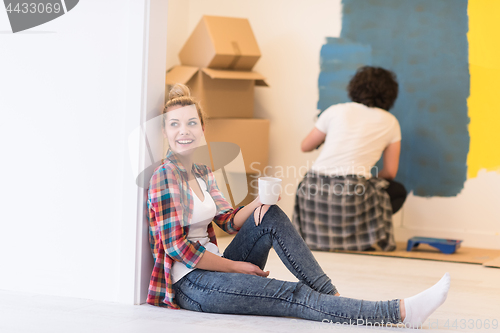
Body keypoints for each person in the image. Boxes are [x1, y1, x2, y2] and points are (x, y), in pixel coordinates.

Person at [146, 83, 448, 328]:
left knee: (269, 214)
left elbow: (227, 220)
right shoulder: (164, 177)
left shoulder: (202, 172)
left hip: (217, 268)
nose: (183, 131)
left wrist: (259, 203)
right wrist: (236, 267)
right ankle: (401, 313)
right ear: (165, 132)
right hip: (192, 284)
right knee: (292, 294)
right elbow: (178, 249)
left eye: (191, 123)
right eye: (174, 124)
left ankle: (332, 298)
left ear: (202, 130)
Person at [293, 66, 407, 252]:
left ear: (355, 87)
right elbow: (390, 173)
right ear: (389, 94)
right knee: (397, 190)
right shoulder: (390, 122)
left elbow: (305, 146)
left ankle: (322, 238)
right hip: (351, 194)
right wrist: (369, 180)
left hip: (312, 190)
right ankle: (360, 238)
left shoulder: (335, 111)